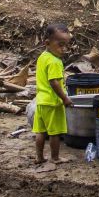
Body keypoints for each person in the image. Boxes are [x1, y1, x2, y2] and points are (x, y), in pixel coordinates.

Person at [34, 23, 74, 165]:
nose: (64, 49)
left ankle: (39, 157)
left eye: (66, 45)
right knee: (54, 133)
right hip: (53, 102)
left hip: (40, 101)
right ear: (47, 43)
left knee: (40, 132)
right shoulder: (55, 62)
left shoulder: (42, 57)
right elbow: (54, 82)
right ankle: (55, 158)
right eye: (60, 45)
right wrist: (64, 98)